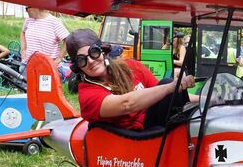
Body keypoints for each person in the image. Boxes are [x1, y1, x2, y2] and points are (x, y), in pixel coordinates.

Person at [66, 29, 196, 131]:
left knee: (168, 87)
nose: (90, 61)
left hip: (154, 128)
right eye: (82, 60)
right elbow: (127, 104)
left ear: (102, 51)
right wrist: (171, 86)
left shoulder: (131, 66)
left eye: (93, 52)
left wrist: (206, 99)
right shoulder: (87, 95)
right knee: (166, 84)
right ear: (78, 66)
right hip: (136, 139)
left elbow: (164, 94)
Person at [20, 6, 69, 78]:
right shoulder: (28, 20)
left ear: (36, 6)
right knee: (26, 88)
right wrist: (23, 49)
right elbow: (23, 32)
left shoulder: (54, 22)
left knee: (44, 89)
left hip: (47, 67)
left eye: (27, 9)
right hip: (28, 64)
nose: (26, 11)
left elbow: (68, 39)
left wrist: (59, 58)